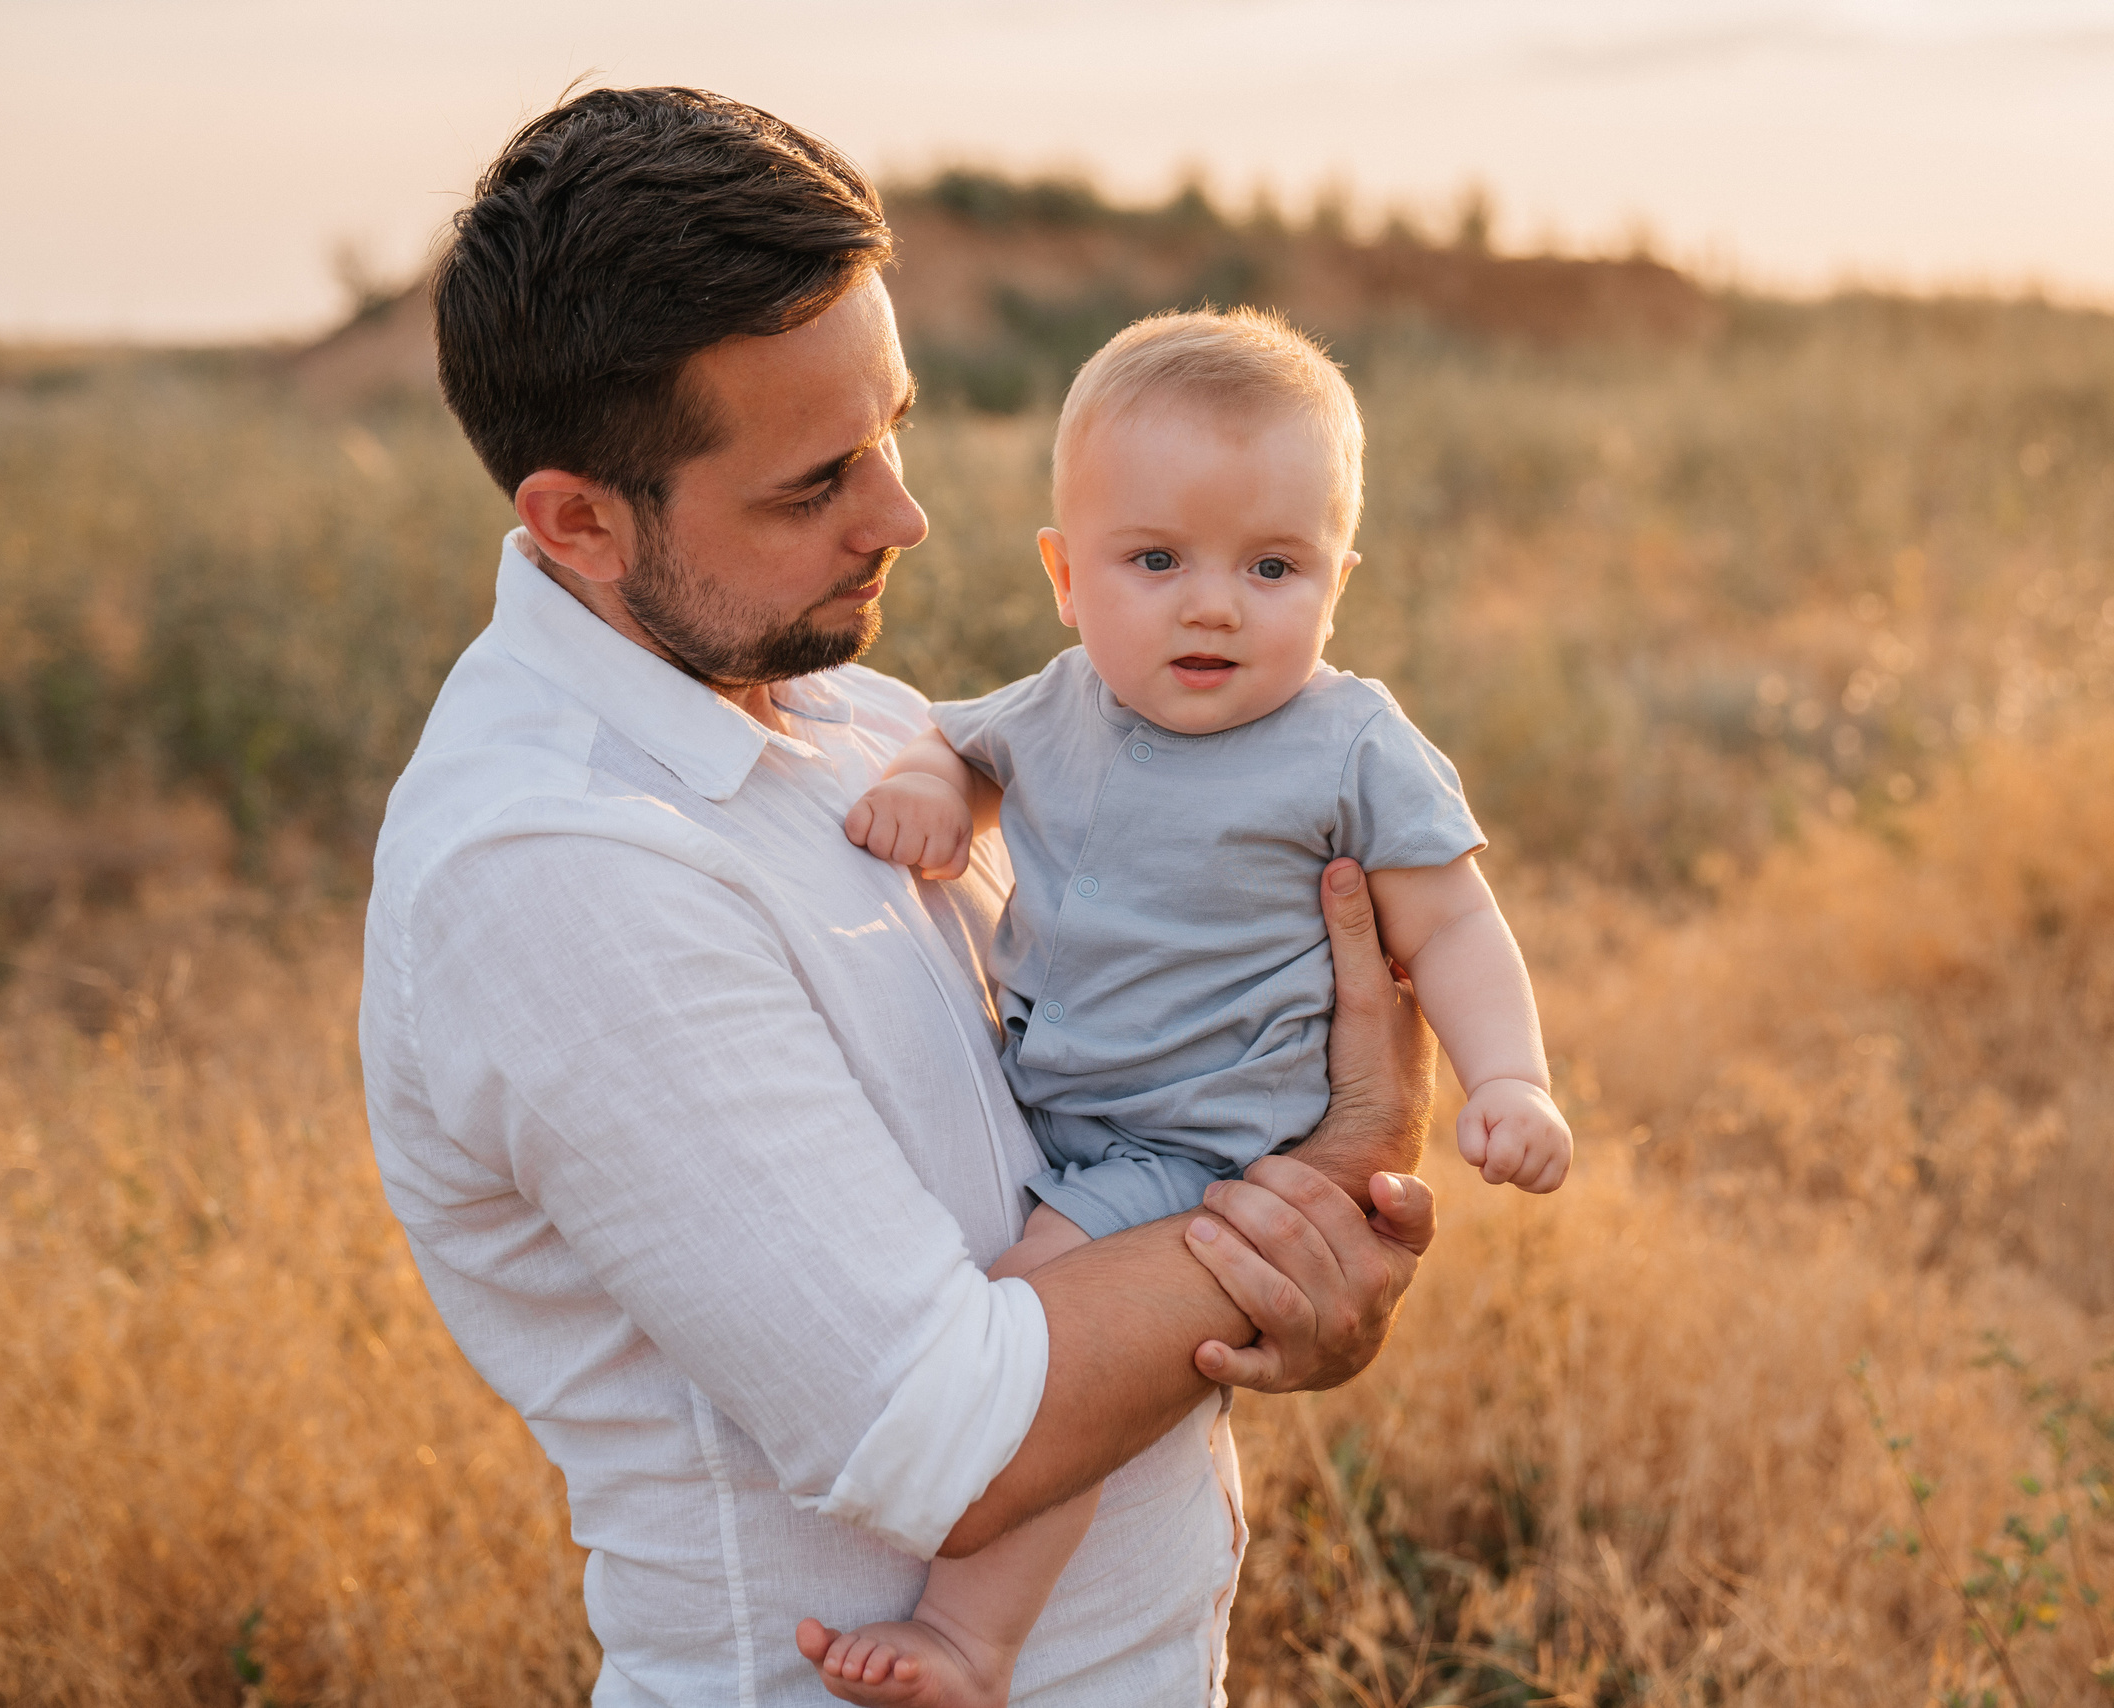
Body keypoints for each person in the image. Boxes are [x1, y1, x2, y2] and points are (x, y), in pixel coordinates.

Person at [357, 86, 1438, 1708]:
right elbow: (946, 1438)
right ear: (577, 520)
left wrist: (1312, 1295)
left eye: (896, 427)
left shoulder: (857, 716)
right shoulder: (554, 872)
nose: (906, 516)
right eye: (815, 483)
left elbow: (1105, 1149)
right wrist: (1331, 1178)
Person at [813, 308, 1571, 1705]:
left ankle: (968, 1638)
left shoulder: (1350, 742)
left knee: (1029, 1357)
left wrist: (1510, 1081)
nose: (1212, 603)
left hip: (1201, 1148)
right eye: (1155, 560)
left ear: (1339, 580)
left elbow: (1454, 920)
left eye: (1272, 565)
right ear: (1064, 575)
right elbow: (953, 740)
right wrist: (933, 790)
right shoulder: (1057, 707)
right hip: (1074, 1118)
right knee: (1051, 1354)